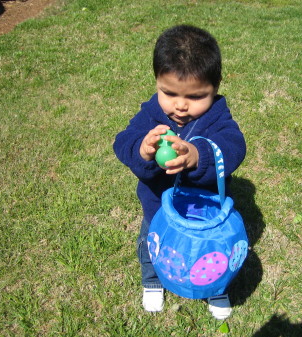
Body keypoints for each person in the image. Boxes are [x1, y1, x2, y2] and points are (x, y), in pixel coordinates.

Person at [113, 25, 246, 319]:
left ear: (216, 86)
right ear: (157, 82)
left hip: (204, 210)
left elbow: (235, 147)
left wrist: (198, 155)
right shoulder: (151, 113)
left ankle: (216, 288)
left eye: (196, 96)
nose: (181, 106)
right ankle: (152, 280)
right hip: (157, 207)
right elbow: (123, 141)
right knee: (152, 244)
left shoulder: (218, 116)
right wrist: (143, 149)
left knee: (212, 253)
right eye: (168, 93)